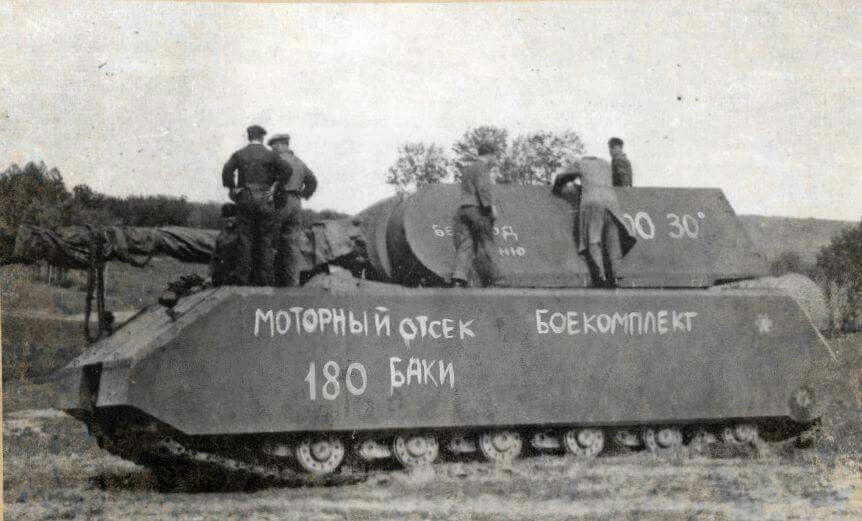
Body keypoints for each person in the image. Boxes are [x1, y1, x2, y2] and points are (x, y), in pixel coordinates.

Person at [221, 125, 293, 286]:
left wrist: (232, 188)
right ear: (262, 138)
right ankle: (265, 280)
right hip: (265, 199)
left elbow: (227, 170)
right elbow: (287, 170)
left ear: (249, 137)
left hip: (245, 198)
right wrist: (275, 186)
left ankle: (242, 279)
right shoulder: (271, 155)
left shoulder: (239, 154)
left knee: (245, 239)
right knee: (266, 240)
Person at [552, 156, 636, 287]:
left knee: (594, 240)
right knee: (613, 240)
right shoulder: (605, 164)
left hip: (592, 202)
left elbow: (562, 177)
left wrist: (556, 188)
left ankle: (601, 276)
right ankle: (616, 276)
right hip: (612, 202)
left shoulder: (581, 163)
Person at [268, 133, 318, 287]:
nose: (272, 149)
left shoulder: (275, 161)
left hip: (279, 201)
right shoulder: (299, 162)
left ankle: (268, 282)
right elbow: (312, 181)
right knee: (291, 246)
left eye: (274, 146)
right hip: (296, 203)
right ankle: (292, 284)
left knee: (269, 241)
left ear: (280, 145)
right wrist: (302, 194)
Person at [451, 142, 501, 288]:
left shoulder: (468, 169)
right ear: (490, 155)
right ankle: (493, 279)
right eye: (495, 156)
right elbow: (483, 188)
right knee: (486, 243)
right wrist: (491, 207)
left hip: (463, 210)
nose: (495, 159)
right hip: (478, 210)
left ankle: (458, 279)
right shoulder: (482, 168)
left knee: (465, 244)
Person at [210, 203, 241, 286]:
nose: (229, 219)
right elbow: (215, 258)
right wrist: (213, 273)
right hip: (223, 275)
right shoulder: (221, 236)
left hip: (238, 277)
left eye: (232, 216)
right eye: (226, 216)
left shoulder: (242, 234)